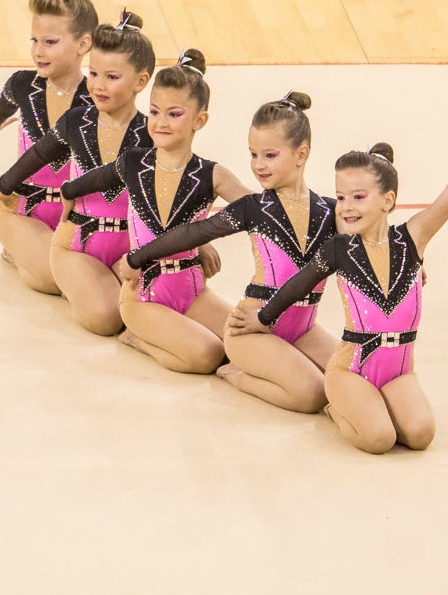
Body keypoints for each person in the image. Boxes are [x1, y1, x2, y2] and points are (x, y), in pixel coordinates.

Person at [228, 131, 448, 453]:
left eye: (358, 197)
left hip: (399, 369)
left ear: (387, 200)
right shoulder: (339, 249)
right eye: (341, 197)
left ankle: (370, 404)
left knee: (420, 436)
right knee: (379, 440)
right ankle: (336, 407)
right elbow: (297, 285)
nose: (346, 207)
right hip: (351, 368)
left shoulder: (413, 239)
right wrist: (263, 318)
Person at [123, 92, 337, 411]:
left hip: (304, 327)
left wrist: (409, 263)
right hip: (249, 327)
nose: (258, 166)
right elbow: (192, 232)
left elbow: (374, 240)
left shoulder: (330, 210)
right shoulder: (253, 208)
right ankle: (237, 375)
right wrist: (136, 258)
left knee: (353, 377)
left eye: (269, 155)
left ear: (301, 153)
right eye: (253, 155)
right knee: (313, 394)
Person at [64, 49, 250, 374]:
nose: (161, 122)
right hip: (142, 295)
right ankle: (138, 338)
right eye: (154, 112)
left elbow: (257, 208)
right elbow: (94, 179)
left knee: (245, 346)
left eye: (174, 114)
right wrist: (67, 194)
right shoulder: (135, 162)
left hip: (191, 289)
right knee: (206, 354)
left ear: (199, 120)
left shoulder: (210, 173)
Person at [0, 10, 155, 335]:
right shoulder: (78, 120)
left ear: (141, 80)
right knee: (106, 318)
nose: (98, 85)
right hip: (73, 235)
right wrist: (5, 185)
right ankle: (28, 261)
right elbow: (39, 155)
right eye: (93, 74)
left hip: (123, 239)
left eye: (112, 77)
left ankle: (87, 280)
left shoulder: (150, 132)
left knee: (154, 305)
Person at [0, 0, 97, 294]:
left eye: (50, 42)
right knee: (56, 281)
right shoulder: (22, 85)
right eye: (34, 40)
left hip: (77, 218)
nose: (38, 51)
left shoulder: (97, 98)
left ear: (83, 44)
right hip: (24, 212)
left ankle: (30, 257)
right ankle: (21, 251)